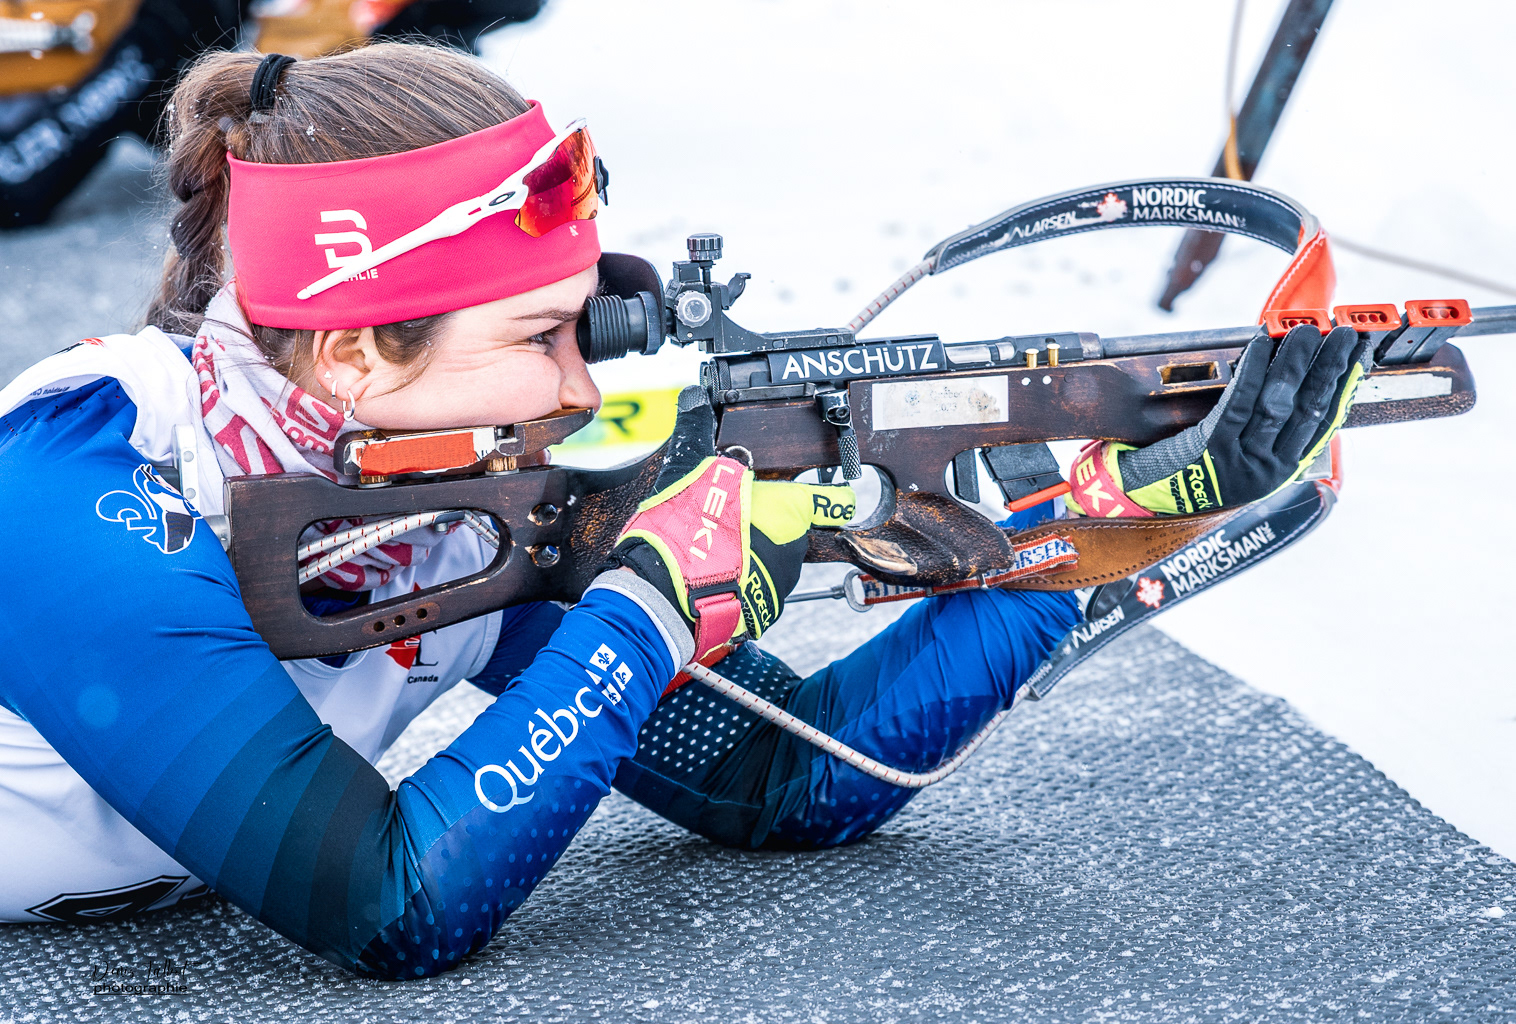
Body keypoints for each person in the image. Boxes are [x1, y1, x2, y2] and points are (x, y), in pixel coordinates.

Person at [0, 42, 1363, 978]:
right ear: (355, 353)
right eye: (539, 336)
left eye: (584, 325)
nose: (583, 387)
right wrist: (646, 609)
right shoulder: (72, 478)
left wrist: (1121, 511)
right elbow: (387, 902)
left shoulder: (440, 495)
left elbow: (794, 775)